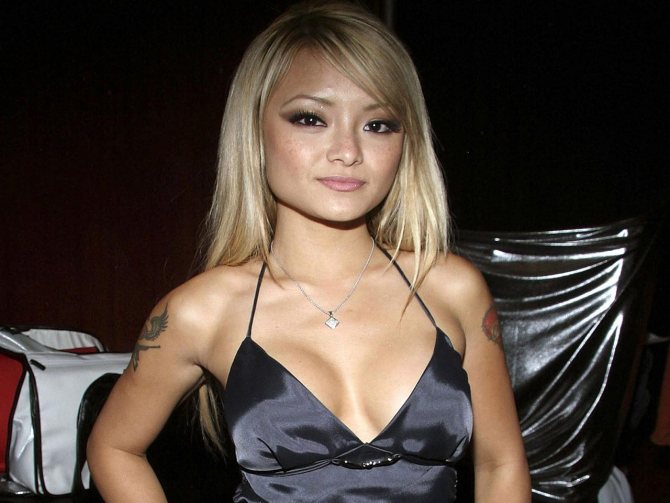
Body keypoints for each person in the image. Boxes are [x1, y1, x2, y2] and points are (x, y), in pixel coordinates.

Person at [87, 1, 531, 501]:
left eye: (378, 124)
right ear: (255, 132)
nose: (348, 151)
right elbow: (113, 446)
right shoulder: (202, 311)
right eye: (311, 118)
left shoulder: (452, 289)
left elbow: (501, 463)